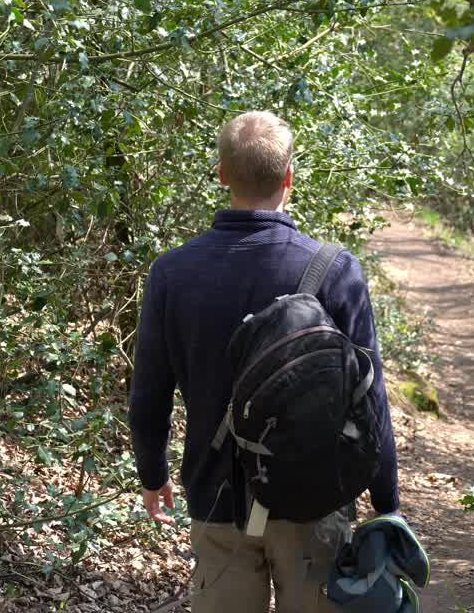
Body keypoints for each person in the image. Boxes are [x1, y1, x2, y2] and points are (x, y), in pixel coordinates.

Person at [129, 111, 400, 612]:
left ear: (221, 175)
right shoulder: (336, 271)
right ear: (289, 177)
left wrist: (153, 473)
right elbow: (370, 397)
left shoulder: (173, 272)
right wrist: (386, 504)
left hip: (217, 496)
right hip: (315, 497)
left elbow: (149, 393)